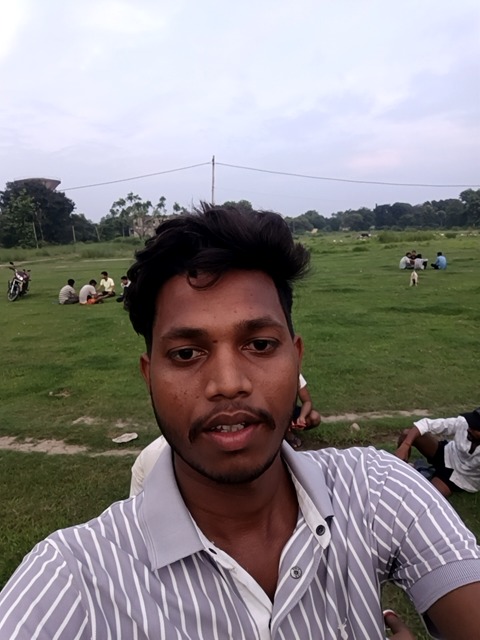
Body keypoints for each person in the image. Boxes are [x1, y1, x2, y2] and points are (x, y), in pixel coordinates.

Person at [1, 204, 479, 640]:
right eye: (186, 353)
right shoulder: (73, 578)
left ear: (296, 358)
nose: (228, 384)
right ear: (150, 376)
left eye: (260, 345)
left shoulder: (378, 492)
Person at [394, 407, 480, 497]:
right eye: (471, 424)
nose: (469, 429)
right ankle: (399, 470)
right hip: (447, 454)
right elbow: (425, 424)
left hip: (462, 478)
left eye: (475, 428)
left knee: (426, 495)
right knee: (407, 435)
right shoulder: (463, 423)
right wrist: (406, 445)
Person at [285, 373, 321, 448]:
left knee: (314, 417)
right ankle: (286, 434)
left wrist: (302, 417)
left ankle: (288, 430)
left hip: (290, 409)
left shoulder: (296, 376)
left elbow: (307, 402)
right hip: (273, 411)